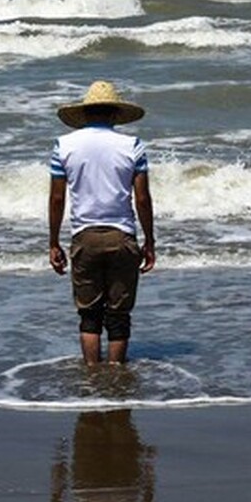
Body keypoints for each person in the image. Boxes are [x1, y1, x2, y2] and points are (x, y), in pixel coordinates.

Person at [49, 81, 155, 365]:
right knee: (119, 315)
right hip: (122, 236)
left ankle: (92, 376)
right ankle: (116, 374)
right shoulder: (132, 145)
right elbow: (142, 199)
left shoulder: (64, 146)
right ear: (114, 114)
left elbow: (57, 199)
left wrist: (53, 243)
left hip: (84, 235)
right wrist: (150, 242)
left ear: (84, 114)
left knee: (89, 314)